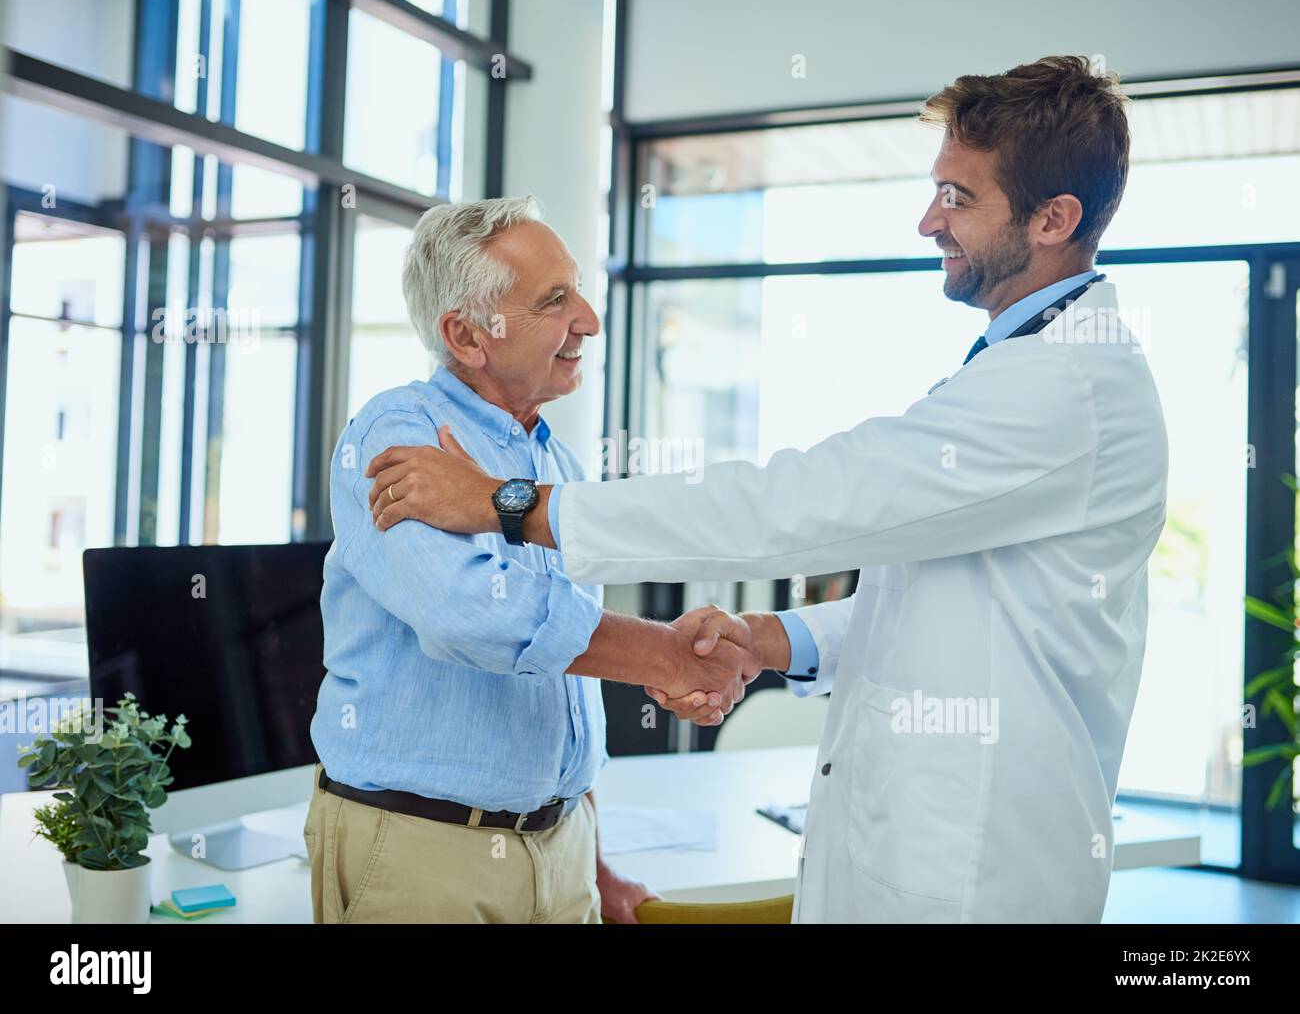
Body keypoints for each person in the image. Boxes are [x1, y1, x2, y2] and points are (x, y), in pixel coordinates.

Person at [364, 57, 1170, 923]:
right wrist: (764, 637)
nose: (928, 219)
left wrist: (512, 505)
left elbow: (801, 503)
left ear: (1055, 218)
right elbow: (944, 600)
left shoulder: (1063, 390)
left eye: (959, 198)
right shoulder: (401, 432)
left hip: (981, 874)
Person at [305, 196, 757, 924]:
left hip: (560, 849)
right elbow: (473, 615)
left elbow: (559, 696)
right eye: (555, 300)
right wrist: (666, 658)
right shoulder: (399, 433)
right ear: (467, 335)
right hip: (428, 853)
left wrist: (596, 865)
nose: (589, 319)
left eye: (576, 288)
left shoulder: (554, 461)